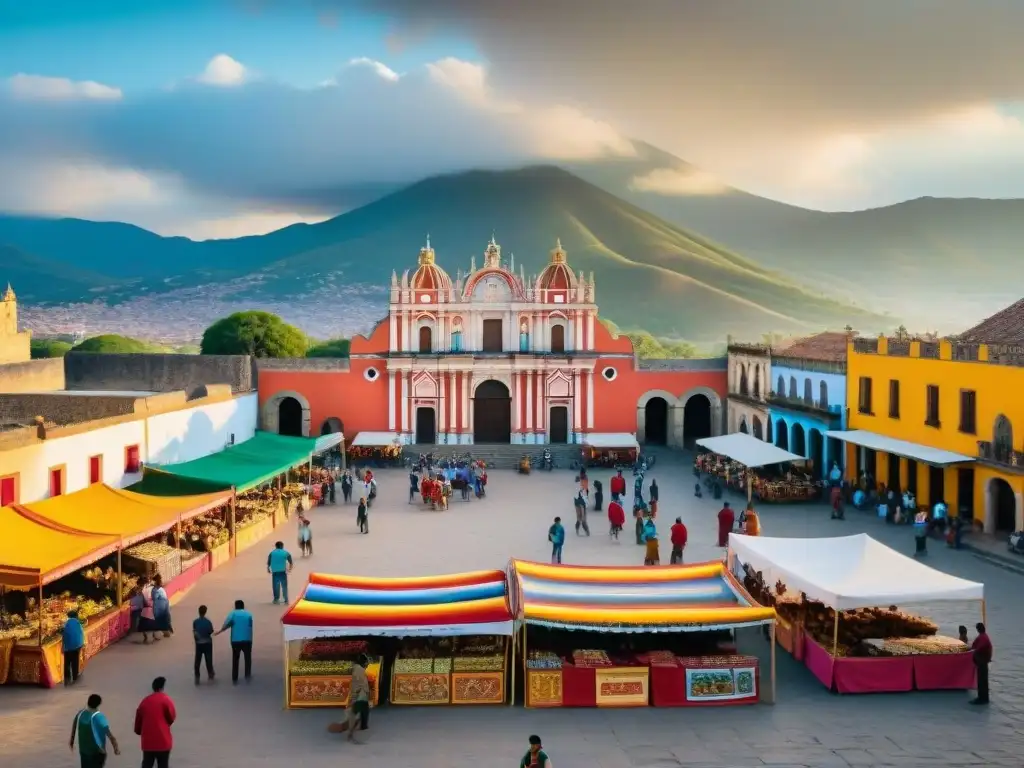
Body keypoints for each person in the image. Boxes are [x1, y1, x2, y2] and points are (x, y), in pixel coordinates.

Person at [134, 677, 175, 768]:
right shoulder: (166, 700)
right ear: (162, 688)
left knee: (147, 764)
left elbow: (138, 725)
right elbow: (171, 717)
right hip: (163, 741)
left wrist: (140, 731)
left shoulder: (144, 702)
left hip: (148, 742)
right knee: (163, 765)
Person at [71, 693, 120, 768]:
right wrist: (116, 748)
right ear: (99, 704)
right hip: (96, 753)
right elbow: (110, 735)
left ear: (88, 702)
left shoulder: (80, 713)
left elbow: (74, 727)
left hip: (83, 751)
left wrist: (71, 741)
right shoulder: (98, 717)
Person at [215, 599, 254, 683]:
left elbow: (227, 624)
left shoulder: (232, 614)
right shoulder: (249, 615)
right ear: (243, 606)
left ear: (235, 606)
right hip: (247, 639)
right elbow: (250, 627)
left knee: (235, 658)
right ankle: (247, 675)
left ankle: (235, 677)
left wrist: (220, 631)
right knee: (247, 658)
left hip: (235, 640)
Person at [346, 654, 372, 743]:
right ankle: (351, 731)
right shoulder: (359, 670)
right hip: (361, 695)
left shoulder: (357, 669)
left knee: (363, 710)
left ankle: (361, 726)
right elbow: (359, 684)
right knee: (355, 711)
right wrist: (354, 697)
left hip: (361, 694)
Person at [192, 605, 215, 684]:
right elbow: (211, 631)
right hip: (207, 642)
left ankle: (197, 676)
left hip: (199, 643)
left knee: (197, 660)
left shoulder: (195, 621)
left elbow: (194, 630)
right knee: (208, 659)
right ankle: (210, 674)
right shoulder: (208, 622)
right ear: (205, 612)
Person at [971, 623, 992, 705]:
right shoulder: (984, 636)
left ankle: (981, 698)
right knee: (983, 681)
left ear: (978, 629)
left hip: (982, 662)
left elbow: (977, 648)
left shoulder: (983, 638)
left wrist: (972, 653)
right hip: (983, 662)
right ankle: (985, 698)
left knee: (981, 681)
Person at [62, 609, 85, 686]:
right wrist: (82, 644)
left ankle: (67, 676)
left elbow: (63, 634)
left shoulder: (66, 623)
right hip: (77, 645)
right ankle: (75, 676)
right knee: (75, 661)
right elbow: (81, 633)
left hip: (68, 646)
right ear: (76, 616)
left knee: (67, 662)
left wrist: (63, 647)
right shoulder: (78, 623)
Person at [138, 576, 159, 644]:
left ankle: (146, 637)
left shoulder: (142, 589)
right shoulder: (150, 588)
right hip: (149, 607)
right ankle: (152, 635)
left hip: (145, 607)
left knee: (143, 623)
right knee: (152, 622)